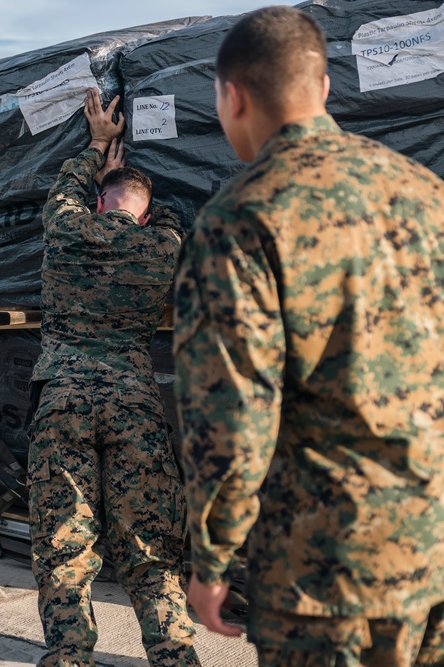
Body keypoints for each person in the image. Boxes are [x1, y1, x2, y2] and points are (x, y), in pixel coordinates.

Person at [174, 7, 444, 666]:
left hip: (325, 575)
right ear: (324, 88)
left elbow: (234, 415)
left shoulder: (240, 218)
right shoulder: (425, 192)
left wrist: (211, 559)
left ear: (231, 96)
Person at [28, 88, 200, 666]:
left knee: (63, 543)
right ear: (144, 213)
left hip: (64, 399)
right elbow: (174, 216)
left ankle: (71, 655)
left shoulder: (66, 226)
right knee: (151, 547)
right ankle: (174, 657)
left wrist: (99, 145)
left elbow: (65, 192)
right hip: (134, 402)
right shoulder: (162, 242)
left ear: (97, 203)